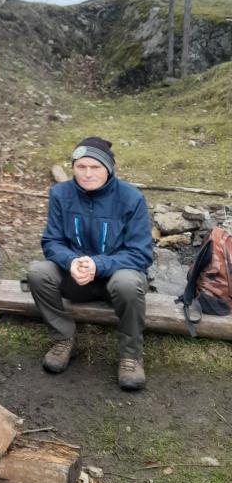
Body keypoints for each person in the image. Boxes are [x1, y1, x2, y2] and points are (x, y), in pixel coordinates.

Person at [27, 136, 153, 391]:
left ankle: (130, 356)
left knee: (128, 283)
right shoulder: (60, 194)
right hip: (75, 278)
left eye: (95, 167)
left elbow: (140, 253)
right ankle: (64, 339)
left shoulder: (131, 198)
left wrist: (98, 264)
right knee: (37, 272)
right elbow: (51, 241)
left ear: (109, 168)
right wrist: (71, 261)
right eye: (81, 166)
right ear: (73, 167)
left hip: (114, 280)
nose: (87, 174)